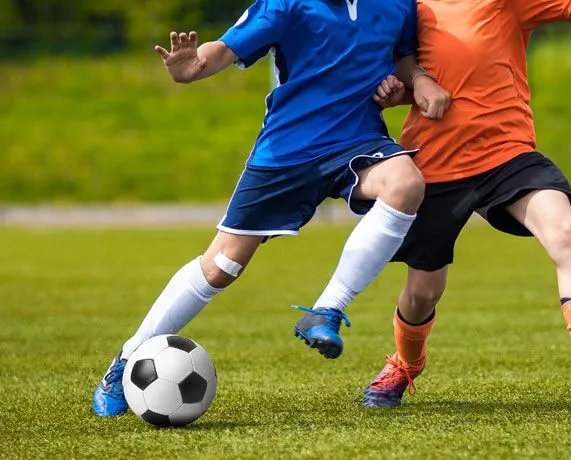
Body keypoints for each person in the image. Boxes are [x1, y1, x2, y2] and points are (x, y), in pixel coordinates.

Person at [93, 0, 451, 416]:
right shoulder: (286, 3)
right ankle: (126, 361)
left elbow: (402, 56)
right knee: (220, 267)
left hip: (358, 140)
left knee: (406, 183)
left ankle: (327, 309)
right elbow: (224, 49)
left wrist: (418, 79)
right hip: (287, 152)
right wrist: (191, 67)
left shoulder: (396, 5)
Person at [362, 0, 571, 412]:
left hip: (508, 155)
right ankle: (405, 363)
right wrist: (392, 90)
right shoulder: (404, 9)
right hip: (436, 165)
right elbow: (391, 72)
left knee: (566, 231)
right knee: (423, 291)